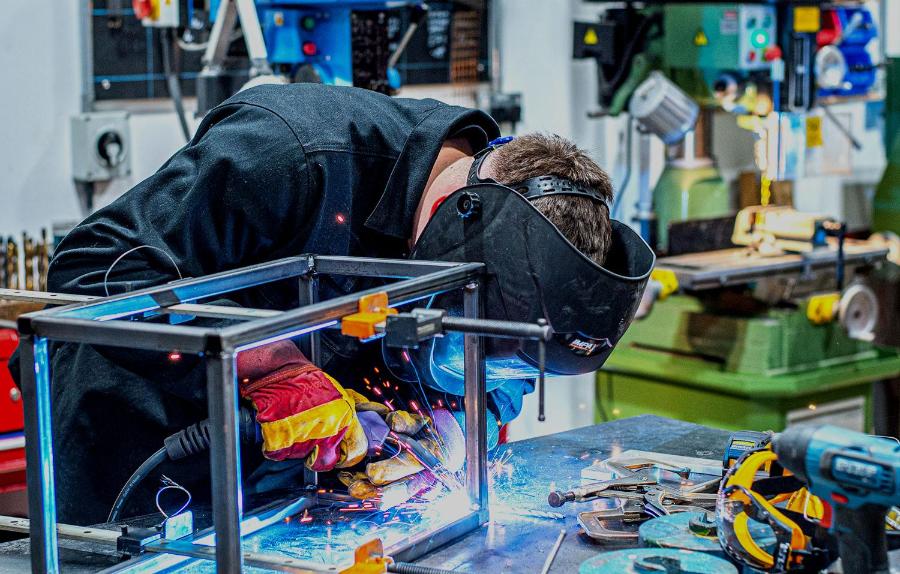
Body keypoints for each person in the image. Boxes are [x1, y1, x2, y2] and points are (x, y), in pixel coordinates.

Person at [38, 83, 615, 525]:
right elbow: (90, 268)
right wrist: (267, 362)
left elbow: (487, 363)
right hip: (138, 462)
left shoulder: (489, 250)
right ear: (456, 222)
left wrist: (460, 425)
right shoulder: (292, 154)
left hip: (277, 491)